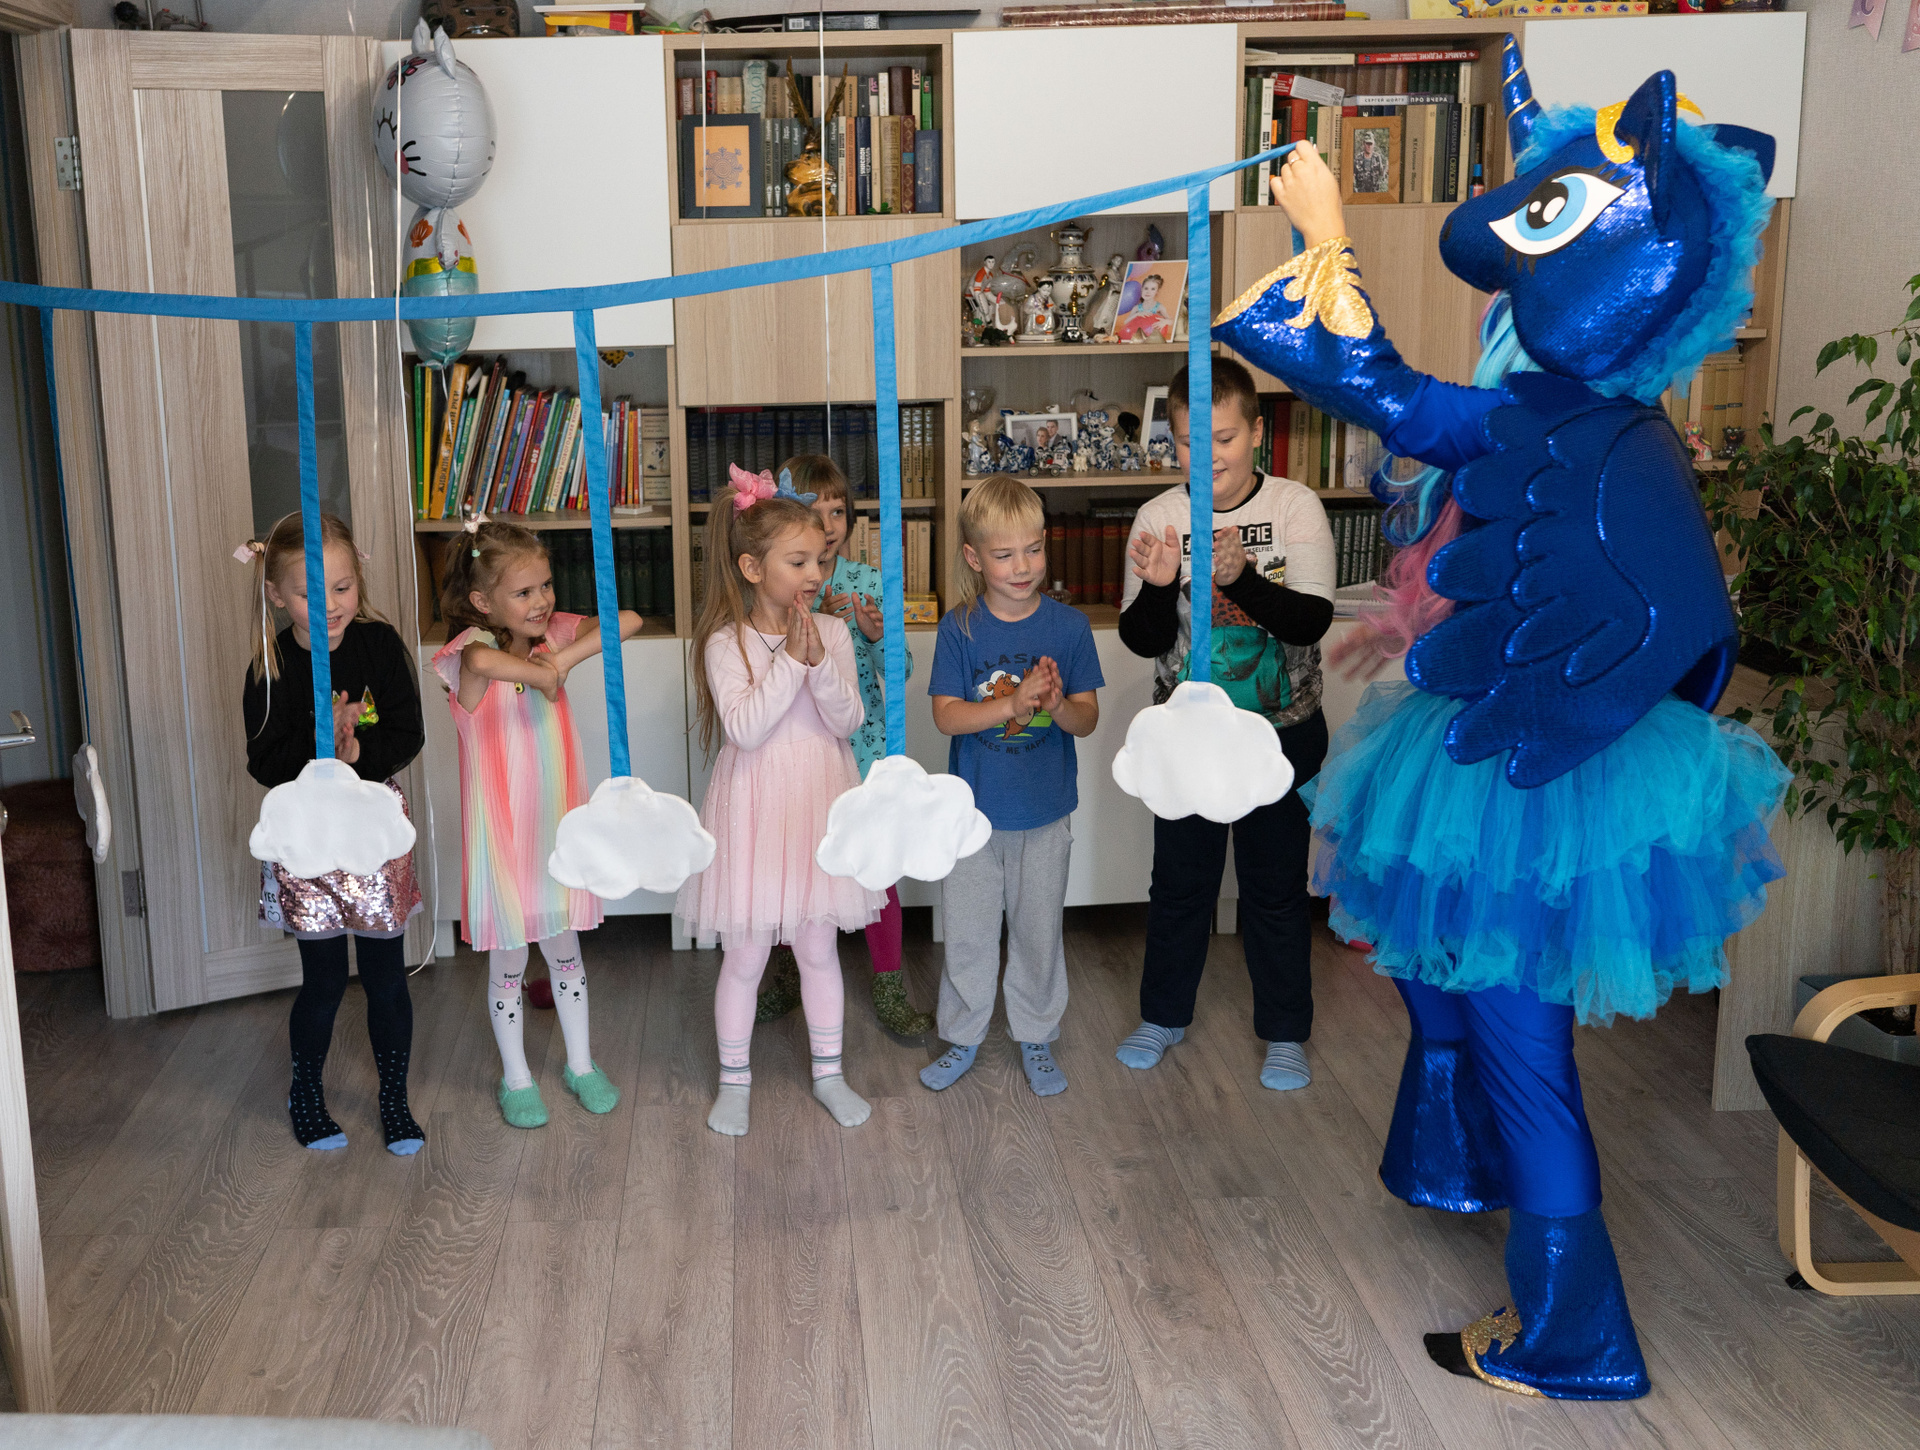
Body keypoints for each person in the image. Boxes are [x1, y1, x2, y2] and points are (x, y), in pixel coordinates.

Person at [1215, 46, 1788, 1398]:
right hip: (1515, 755)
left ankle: (1577, 1338)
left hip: (1539, 781)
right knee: (1445, 975)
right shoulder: (1594, 420)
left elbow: (1390, 394)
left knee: (1528, 1055)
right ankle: (1454, 1158)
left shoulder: (1577, 427)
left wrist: (1326, 236)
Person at [1114, 356, 1336, 1092]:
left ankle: (1285, 1031)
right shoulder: (1159, 517)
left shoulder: (1296, 506)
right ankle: (1163, 1015)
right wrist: (1157, 588)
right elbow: (1144, 640)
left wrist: (1242, 579)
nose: (1207, 456)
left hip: (1281, 737)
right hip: (1187, 747)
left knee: (1275, 889)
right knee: (1180, 885)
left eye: (1225, 438)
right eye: (1188, 442)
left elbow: (1311, 621)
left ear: (1257, 433)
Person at [676, 466, 885, 1137]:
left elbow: (848, 720)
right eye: (798, 562)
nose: (814, 573)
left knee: (818, 949)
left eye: (819, 560)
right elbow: (745, 729)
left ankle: (830, 1072)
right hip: (755, 812)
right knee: (746, 957)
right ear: (751, 567)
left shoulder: (833, 632)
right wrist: (791, 662)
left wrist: (816, 662)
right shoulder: (726, 641)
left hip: (818, 805)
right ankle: (734, 1080)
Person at [430, 518, 643, 1130]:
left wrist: (559, 661)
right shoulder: (468, 655)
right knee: (509, 964)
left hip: (555, 837)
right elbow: (483, 660)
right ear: (482, 601)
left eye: (545, 586)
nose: (541, 600)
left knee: (566, 953)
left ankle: (580, 1064)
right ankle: (517, 1077)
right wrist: (545, 672)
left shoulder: (553, 636)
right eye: (523, 592)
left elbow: (628, 620)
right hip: (502, 846)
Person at [241, 512, 426, 1156]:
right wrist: (322, 744)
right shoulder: (269, 665)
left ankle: (394, 1100)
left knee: (386, 979)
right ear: (275, 594)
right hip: (308, 839)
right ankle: (307, 1096)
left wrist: (357, 753)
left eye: (342, 588)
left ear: (358, 582)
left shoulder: (379, 645)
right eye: (308, 594)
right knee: (321, 982)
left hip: (371, 832)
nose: (330, 605)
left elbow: (407, 731)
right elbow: (264, 760)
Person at [920, 476, 1102, 1096]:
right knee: (969, 935)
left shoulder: (1069, 627)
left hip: (1045, 815)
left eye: (1034, 548)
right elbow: (947, 716)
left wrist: (1054, 705)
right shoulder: (959, 628)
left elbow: (1086, 719)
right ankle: (963, 1036)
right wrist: (1012, 705)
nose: (1023, 567)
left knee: (1038, 934)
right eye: (1004, 554)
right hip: (972, 819)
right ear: (974, 558)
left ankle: (1037, 1035)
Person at [752, 454, 935, 1038]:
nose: (828, 526)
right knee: (797, 864)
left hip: (864, 749)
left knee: (877, 870)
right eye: (815, 512)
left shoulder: (868, 583)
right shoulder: (778, 585)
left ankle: (888, 983)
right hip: (796, 752)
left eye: (838, 513)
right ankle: (788, 976)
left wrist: (876, 637)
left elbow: (901, 670)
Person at [1115, 273, 1173, 343]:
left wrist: (1165, 322)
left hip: (1153, 339)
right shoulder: (1137, 308)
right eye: (1146, 288)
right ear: (1142, 289)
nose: (1148, 292)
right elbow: (1125, 322)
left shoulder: (1159, 307)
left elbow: (1171, 321)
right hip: (1137, 338)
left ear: (1156, 292)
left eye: (1153, 289)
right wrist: (1137, 314)